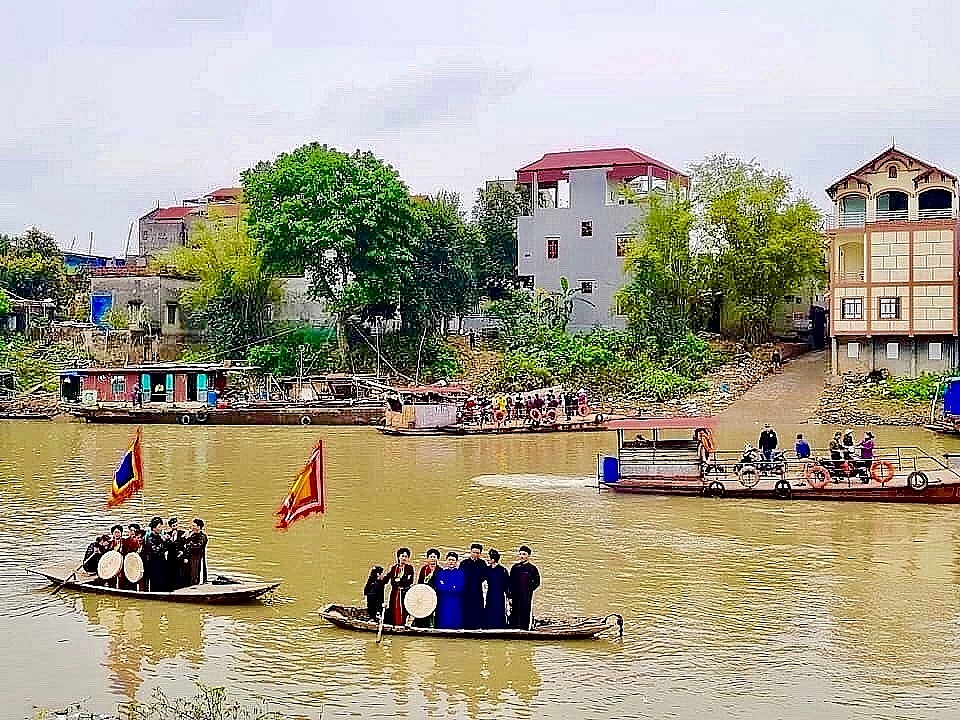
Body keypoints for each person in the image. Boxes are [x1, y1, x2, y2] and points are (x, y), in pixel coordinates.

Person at [508, 545, 541, 630]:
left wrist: (529, 590)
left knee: (525, 611)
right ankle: (513, 629)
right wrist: (510, 596)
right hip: (515, 595)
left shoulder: (533, 569)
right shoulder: (515, 568)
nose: (521, 556)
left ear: (528, 555)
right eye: (520, 554)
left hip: (526, 595)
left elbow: (537, 582)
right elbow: (510, 582)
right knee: (514, 611)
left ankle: (525, 629)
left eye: (524, 554)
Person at [382, 547, 414, 626]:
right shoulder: (394, 568)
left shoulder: (409, 568)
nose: (404, 558)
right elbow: (389, 579)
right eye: (402, 556)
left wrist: (398, 581)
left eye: (406, 556)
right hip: (395, 592)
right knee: (393, 609)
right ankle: (393, 624)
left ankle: (402, 624)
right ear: (398, 557)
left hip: (404, 592)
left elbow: (409, 581)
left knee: (404, 609)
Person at [460, 543, 487, 630]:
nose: (475, 555)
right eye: (473, 552)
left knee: (477, 608)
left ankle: (477, 626)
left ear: (480, 554)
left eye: (477, 553)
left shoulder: (482, 564)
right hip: (466, 590)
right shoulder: (464, 563)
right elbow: (460, 576)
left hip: (477, 590)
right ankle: (465, 626)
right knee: (466, 608)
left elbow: (484, 577)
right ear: (470, 552)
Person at [435, 551, 465, 630]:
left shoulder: (460, 573)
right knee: (444, 615)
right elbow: (438, 587)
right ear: (446, 561)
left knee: (455, 615)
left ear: (456, 562)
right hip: (443, 600)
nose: (451, 562)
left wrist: (445, 586)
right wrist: (452, 587)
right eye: (449, 560)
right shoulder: (441, 573)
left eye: (453, 560)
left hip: (456, 600)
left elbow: (459, 588)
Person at [414, 549, 441, 628]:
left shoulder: (440, 570)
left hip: (434, 594)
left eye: (434, 557)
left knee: (432, 610)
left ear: (437, 558)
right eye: (431, 557)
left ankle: (432, 625)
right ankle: (421, 625)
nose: (432, 559)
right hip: (424, 593)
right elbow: (420, 582)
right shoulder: (424, 569)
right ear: (428, 558)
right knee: (423, 609)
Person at [483, 548, 510, 629]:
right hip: (490, 592)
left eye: (489, 558)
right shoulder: (487, 569)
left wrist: (509, 596)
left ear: (493, 559)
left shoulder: (503, 570)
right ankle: (488, 625)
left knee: (499, 609)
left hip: (499, 593)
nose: (487, 560)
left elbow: (507, 584)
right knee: (489, 608)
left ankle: (499, 626)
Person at [143, 516, 167, 592]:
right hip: (153, 563)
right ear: (154, 528)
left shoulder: (159, 537)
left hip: (161, 562)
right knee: (155, 581)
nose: (161, 529)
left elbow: (165, 548)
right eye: (159, 527)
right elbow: (155, 550)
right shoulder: (149, 538)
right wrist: (163, 542)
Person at [183, 518, 208, 586]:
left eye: (194, 526)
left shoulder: (203, 537)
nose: (192, 527)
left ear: (198, 527)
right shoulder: (191, 534)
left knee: (196, 574)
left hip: (197, 558)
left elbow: (197, 547)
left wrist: (188, 539)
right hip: (189, 558)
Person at [165, 517, 187, 590]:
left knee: (180, 573)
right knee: (171, 572)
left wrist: (183, 553)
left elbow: (185, 545)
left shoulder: (182, 533)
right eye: (174, 526)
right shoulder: (168, 534)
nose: (175, 527)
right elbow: (167, 547)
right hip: (171, 557)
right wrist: (171, 539)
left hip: (180, 556)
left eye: (176, 525)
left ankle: (181, 587)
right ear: (171, 527)